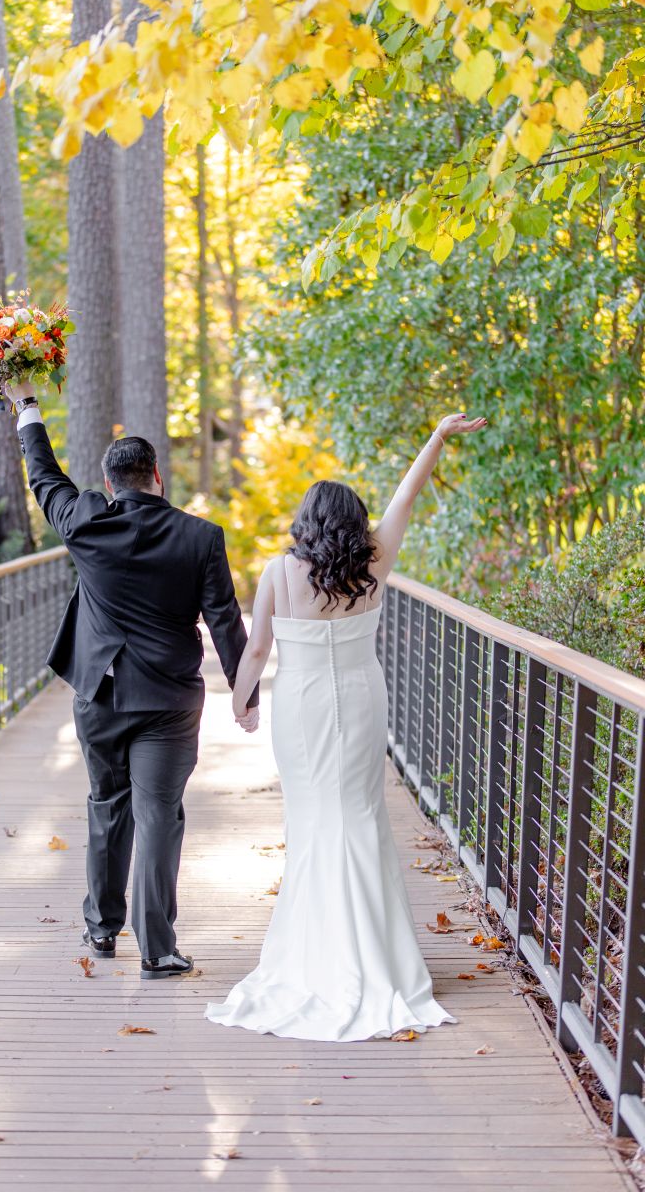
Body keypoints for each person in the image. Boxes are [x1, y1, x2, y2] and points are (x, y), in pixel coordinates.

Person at [205, 412, 487, 1040]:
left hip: (301, 707)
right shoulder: (375, 562)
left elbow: (255, 651)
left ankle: (314, 955)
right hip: (361, 700)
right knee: (360, 816)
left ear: (306, 522)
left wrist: (239, 701)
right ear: (356, 522)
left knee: (310, 823)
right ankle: (378, 957)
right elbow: (407, 493)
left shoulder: (281, 572)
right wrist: (435, 436)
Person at [10, 387, 259, 980]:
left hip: (99, 696)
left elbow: (45, 479)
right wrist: (244, 696)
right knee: (158, 816)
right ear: (157, 477)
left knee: (107, 806)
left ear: (110, 480)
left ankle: (101, 930)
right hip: (170, 703)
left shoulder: (86, 523)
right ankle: (158, 949)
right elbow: (224, 618)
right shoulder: (202, 536)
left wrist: (27, 408)